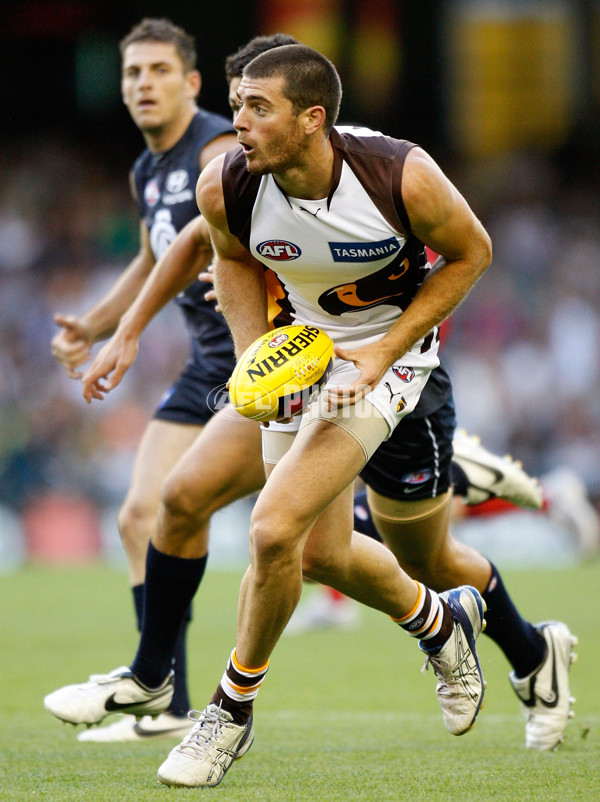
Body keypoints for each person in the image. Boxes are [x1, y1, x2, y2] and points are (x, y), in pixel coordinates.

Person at [44, 36, 573, 769]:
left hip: (394, 361)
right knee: (315, 550)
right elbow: (228, 261)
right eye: (236, 107)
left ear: (312, 119)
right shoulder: (227, 184)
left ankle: (228, 713)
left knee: (281, 531)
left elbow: (472, 253)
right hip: (303, 357)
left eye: (258, 108)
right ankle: (442, 624)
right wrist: (255, 352)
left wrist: (382, 354)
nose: (238, 123)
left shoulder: (399, 174)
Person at [50, 17, 241, 742]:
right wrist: (95, 325)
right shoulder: (147, 169)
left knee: (343, 545)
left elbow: (204, 247)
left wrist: (125, 333)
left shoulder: (217, 148)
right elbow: (150, 256)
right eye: (132, 74)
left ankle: (508, 630)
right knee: (140, 515)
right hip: (206, 366)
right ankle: (167, 702)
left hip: (266, 361)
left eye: (159, 70)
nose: (143, 85)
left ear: (191, 82)